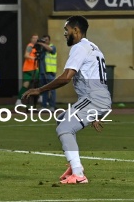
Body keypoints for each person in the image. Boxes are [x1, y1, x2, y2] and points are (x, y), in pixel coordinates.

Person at [22, 16, 111, 184]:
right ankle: (74, 164)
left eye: (66, 30)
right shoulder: (94, 47)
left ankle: (78, 174)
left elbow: (66, 78)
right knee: (62, 119)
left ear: (76, 30)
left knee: (65, 127)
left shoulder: (79, 47)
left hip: (93, 97)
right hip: (97, 97)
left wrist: (39, 90)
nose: (65, 34)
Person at [36, 34, 57, 110]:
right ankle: (44, 106)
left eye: (46, 40)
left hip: (50, 72)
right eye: (43, 40)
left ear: (49, 40)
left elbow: (51, 50)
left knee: (52, 89)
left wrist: (42, 43)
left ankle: (52, 106)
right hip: (42, 72)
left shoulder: (52, 46)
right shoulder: (41, 49)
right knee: (44, 89)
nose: (45, 41)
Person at [16, 34, 38, 104]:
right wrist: (34, 58)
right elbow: (26, 55)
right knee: (26, 85)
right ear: (31, 39)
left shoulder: (36, 47)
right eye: (34, 38)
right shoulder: (30, 46)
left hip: (34, 68)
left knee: (37, 82)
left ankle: (39, 97)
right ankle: (19, 100)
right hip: (29, 69)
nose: (35, 40)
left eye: (36, 38)